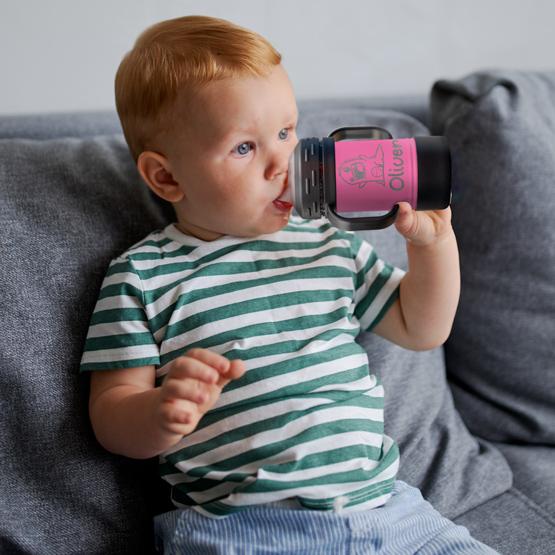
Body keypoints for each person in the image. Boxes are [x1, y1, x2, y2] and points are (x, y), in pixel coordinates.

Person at [80, 15, 498, 554]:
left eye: (285, 131)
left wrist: (433, 246)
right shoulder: (143, 275)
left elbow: (422, 327)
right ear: (166, 177)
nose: (284, 161)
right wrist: (161, 412)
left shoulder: (327, 243)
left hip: (389, 514)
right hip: (245, 531)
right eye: (244, 148)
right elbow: (111, 413)